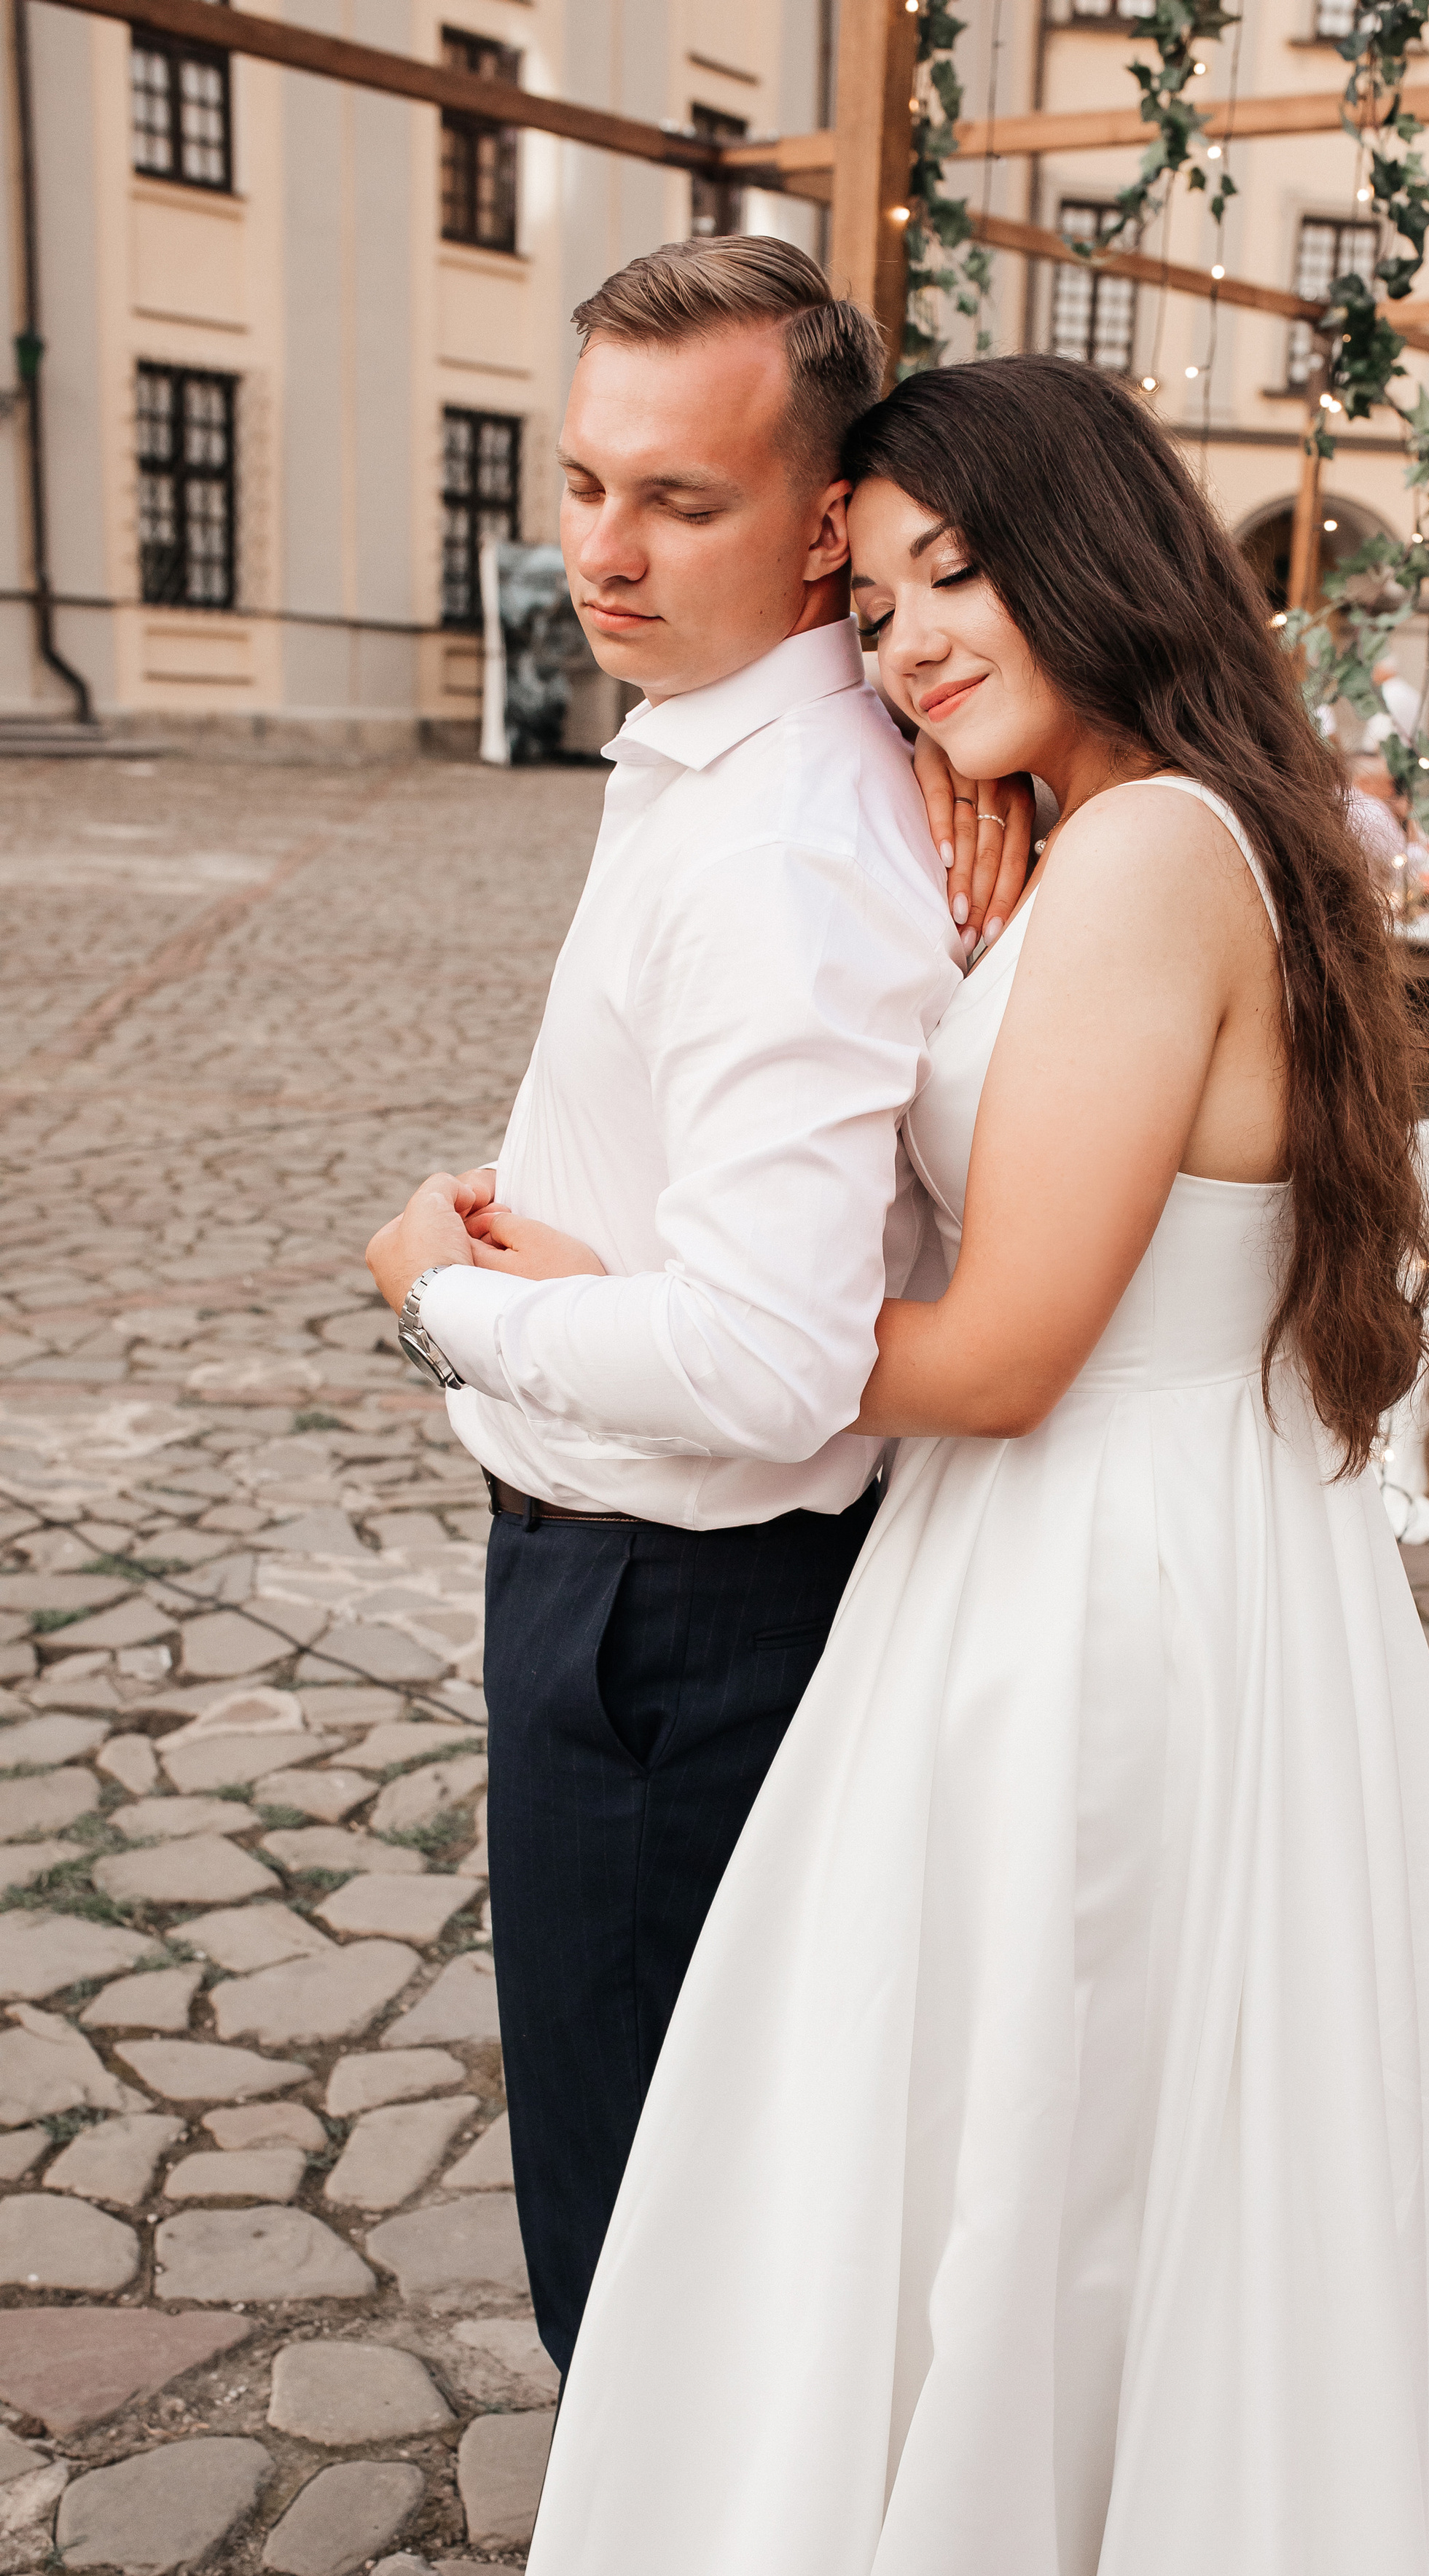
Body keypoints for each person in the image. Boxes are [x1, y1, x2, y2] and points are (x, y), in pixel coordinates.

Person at [475, 355, 1429, 2576]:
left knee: (1050, 2160)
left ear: (1093, 557)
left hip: (1075, 1584)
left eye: (952, 577)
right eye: (877, 595)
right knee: (1081, 2163)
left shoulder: (1142, 861)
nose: (904, 639)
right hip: (1116, 1557)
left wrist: (550, 1317)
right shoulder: (1144, 829)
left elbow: (1003, 1349)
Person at [363, 235, 1033, 2403]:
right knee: (685, 2206)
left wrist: (444, 1297)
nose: (606, 551)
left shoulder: (786, 842)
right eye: (583, 484)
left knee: (646, 2251)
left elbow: (764, 1365)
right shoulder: (739, 757)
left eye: (683, 500)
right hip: (648, 1585)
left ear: (824, 518)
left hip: (669, 1613)